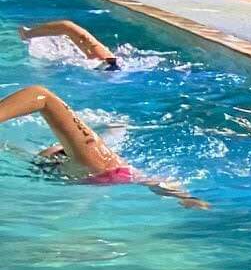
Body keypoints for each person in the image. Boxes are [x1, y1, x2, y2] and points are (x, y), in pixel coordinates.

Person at [0, 85, 206, 206]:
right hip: (89, 178)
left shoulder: (95, 156)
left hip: (90, 175)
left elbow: (41, 95)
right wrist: (185, 198)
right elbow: (156, 182)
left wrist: (185, 197)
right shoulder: (96, 160)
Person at [20, 19, 120, 69]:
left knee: (67, 27)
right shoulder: (111, 63)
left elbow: (67, 27)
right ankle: (27, 34)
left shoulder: (108, 61)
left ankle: (27, 34)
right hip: (110, 67)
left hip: (109, 65)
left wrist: (28, 34)